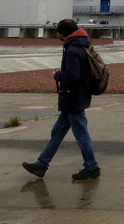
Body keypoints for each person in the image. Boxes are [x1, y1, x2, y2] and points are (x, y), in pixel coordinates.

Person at [22, 19, 101, 181]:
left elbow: (73, 76)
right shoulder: (83, 45)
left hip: (73, 98)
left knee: (81, 134)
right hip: (76, 97)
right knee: (57, 133)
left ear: (63, 33)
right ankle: (41, 165)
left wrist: (57, 75)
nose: (57, 34)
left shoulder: (72, 50)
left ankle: (92, 167)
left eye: (57, 31)